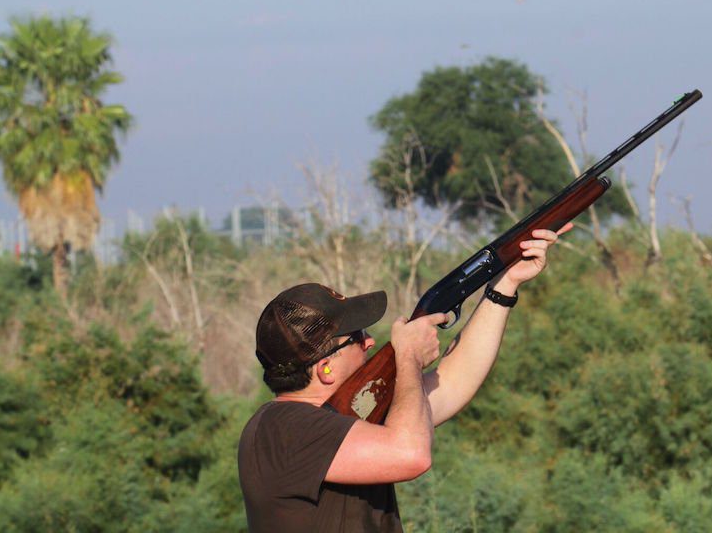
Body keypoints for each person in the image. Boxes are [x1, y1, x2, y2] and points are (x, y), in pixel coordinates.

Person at [237, 224, 570, 532]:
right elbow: (412, 455)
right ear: (325, 368)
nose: (370, 341)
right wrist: (408, 357)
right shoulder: (283, 428)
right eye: (358, 337)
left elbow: (452, 383)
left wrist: (503, 287)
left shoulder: (349, 414)